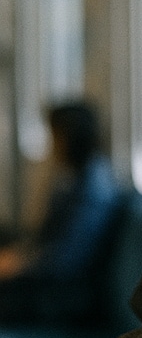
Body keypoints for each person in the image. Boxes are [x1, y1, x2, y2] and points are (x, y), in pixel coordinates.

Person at [0, 100, 121, 325]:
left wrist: (18, 264)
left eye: (55, 137)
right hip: (49, 274)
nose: (52, 145)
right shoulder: (73, 177)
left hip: (66, 294)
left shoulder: (93, 191)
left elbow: (65, 260)